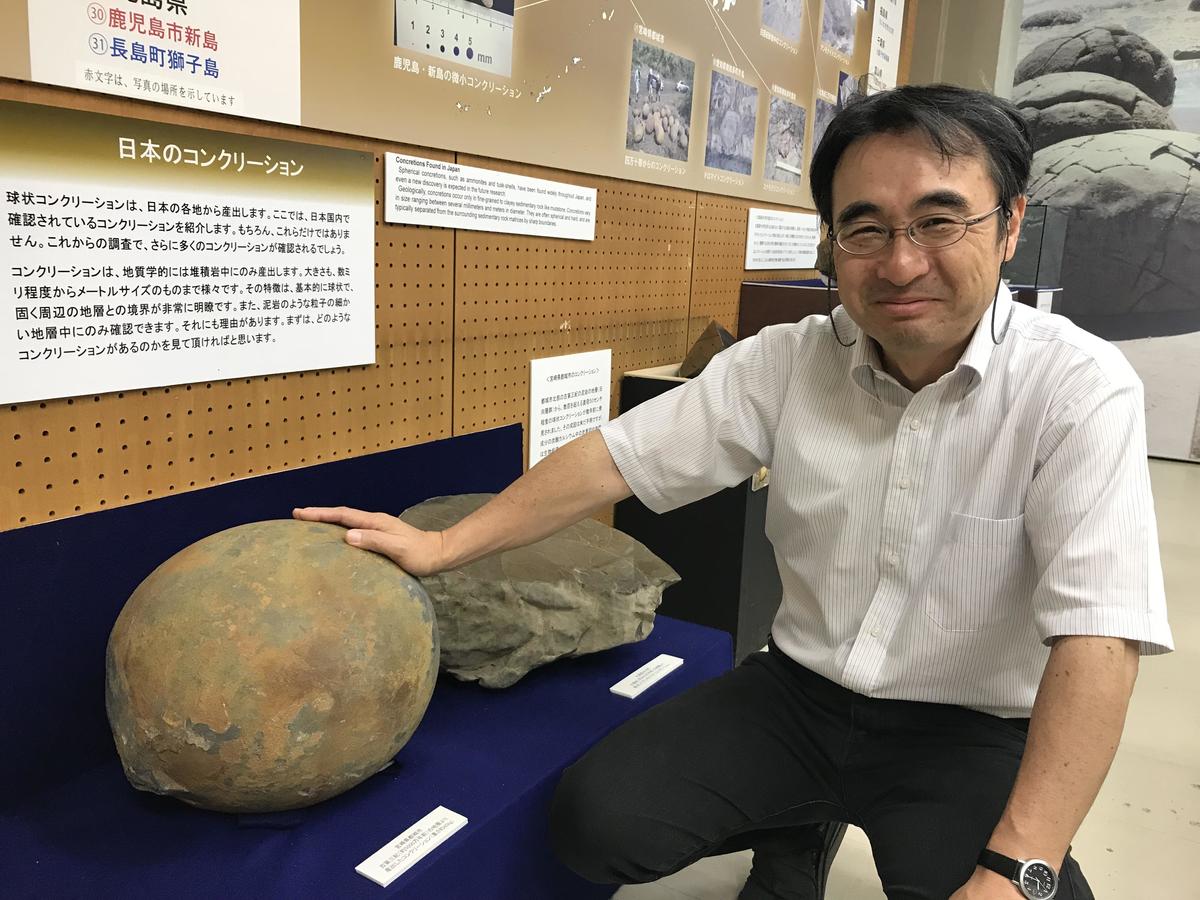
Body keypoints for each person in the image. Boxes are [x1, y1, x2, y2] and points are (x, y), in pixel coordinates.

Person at [294, 85, 1173, 899]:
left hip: (969, 724)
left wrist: (1018, 864)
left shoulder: (1078, 388)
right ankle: (797, 823)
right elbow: (615, 460)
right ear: (832, 240)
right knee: (600, 823)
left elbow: (1100, 637)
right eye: (864, 228)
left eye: (939, 221)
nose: (901, 263)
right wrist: (447, 547)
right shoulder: (788, 362)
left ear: (1010, 224)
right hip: (801, 690)